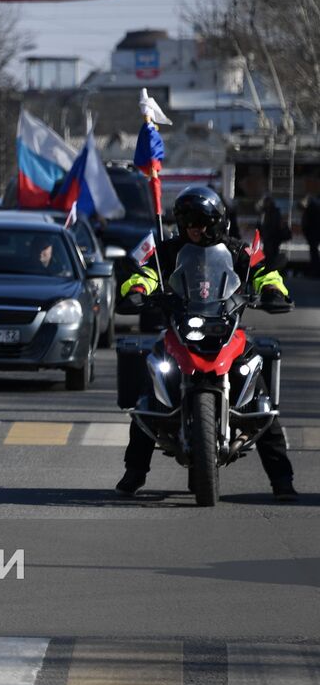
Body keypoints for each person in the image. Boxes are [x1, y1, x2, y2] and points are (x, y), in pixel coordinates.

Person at [117, 186, 296, 500]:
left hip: (227, 327)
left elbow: (264, 271)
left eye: (200, 222)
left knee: (260, 397)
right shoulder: (168, 250)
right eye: (187, 222)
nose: (193, 229)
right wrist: (138, 289)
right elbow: (145, 272)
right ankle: (135, 471)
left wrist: (272, 291)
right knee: (150, 391)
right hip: (180, 329)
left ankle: (282, 479)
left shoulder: (240, 251)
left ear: (217, 222)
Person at [258, 195, 287, 264]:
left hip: (272, 239)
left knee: (271, 257)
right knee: (268, 256)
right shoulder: (266, 212)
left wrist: (267, 235)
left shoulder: (272, 212)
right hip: (269, 239)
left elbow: (272, 226)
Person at [302, 194, 320, 277]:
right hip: (314, 234)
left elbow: (307, 223)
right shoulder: (315, 208)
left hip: (312, 234)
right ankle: (315, 271)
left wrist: (306, 232)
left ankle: (315, 271)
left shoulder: (311, 209)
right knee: (314, 253)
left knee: (314, 254)